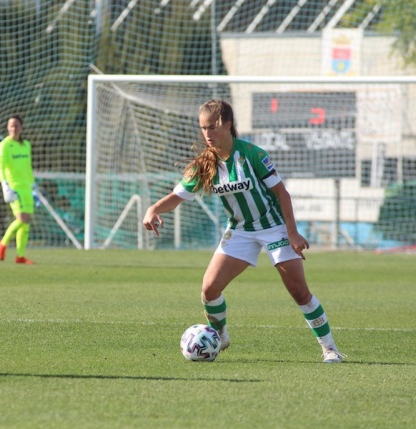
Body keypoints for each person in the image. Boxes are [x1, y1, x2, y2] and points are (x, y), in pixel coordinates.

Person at [142, 99, 346, 363]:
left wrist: (292, 233)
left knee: (299, 291)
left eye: (213, 127)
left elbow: (282, 193)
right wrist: (154, 208)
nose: (207, 134)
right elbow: (178, 195)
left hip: (274, 228)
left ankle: (330, 349)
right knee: (209, 290)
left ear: (228, 124)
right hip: (240, 230)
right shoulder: (205, 164)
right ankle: (220, 335)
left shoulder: (253, 155)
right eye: (203, 128)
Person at [0, 114, 40, 264]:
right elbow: (0, 168)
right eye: (11, 125)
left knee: (26, 222)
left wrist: (33, 187)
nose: (13, 128)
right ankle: (2, 243)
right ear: (8, 128)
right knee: (22, 219)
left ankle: (20, 256)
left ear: (21, 127)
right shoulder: (4, 146)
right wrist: (5, 186)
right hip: (14, 188)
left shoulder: (26, 145)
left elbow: (28, 168)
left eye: (16, 125)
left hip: (27, 188)